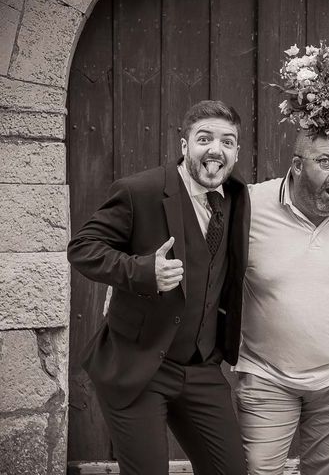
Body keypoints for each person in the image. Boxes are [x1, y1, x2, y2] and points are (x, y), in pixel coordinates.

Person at [67, 100, 249, 475]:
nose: (216, 149)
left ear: (236, 152)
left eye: (227, 141)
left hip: (202, 367)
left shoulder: (237, 196)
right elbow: (83, 249)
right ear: (184, 147)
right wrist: (142, 271)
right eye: (204, 138)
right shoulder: (140, 191)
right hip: (139, 363)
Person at [233, 42, 329, 475]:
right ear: (297, 167)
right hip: (266, 374)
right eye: (325, 162)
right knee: (259, 470)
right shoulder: (249, 206)